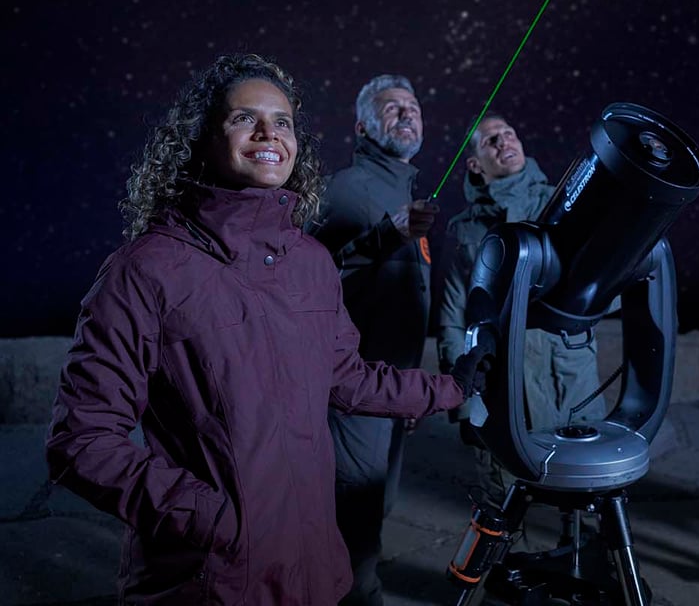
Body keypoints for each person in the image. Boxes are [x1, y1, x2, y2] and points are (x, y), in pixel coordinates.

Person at [45, 54, 487, 606]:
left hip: (314, 569)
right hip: (212, 579)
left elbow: (346, 377)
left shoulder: (309, 262)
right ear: (203, 138)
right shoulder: (147, 270)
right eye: (243, 119)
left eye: (283, 121)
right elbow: (82, 441)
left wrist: (451, 387)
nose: (268, 133)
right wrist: (214, 519)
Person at [305, 74, 439, 606]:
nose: (407, 113)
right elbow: (305, 285)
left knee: (375, 509)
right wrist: (387, 235)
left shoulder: (405, 191)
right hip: (354, 391)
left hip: (392, 388)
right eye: (392, 107)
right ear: (362, 126)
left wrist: (410, 382)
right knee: (355, 521)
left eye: (413, 105)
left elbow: (402, 304)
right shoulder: (343, 189)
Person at [436, 114, 607, 505]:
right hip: (501, 382)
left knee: (585, 501)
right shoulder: (465, 229)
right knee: (501, 505)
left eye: (510, 134)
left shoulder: (567, 203)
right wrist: (461, 397)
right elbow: (453, 312)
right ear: (476, 164)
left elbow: (602, 289)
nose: (504, 142)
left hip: (568, 379)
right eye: (491, 141)